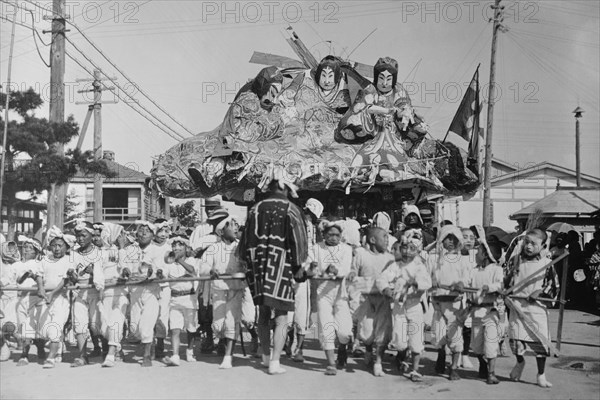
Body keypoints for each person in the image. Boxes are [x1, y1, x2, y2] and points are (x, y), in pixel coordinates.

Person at [238, 172, 309, 375]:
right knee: (281, 316)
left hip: (257, 267)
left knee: (263, 313)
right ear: (285, 187)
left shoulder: (255, 209)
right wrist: (298, 267)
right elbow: (298, 242)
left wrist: (247, 264)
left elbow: (243, 245)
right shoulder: (291, 209)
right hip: (281, 267)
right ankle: (275, 362)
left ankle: (265, 356)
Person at [376, 229, 431, 382]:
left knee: (416, 338)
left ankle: (415, 369)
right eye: (404, 248)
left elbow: (427, 283)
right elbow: (382, 278)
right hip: (399, 306)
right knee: (399, 341)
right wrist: (386, 289)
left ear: (418, 250)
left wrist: (415, 282)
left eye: (412, 249)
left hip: (414, 306)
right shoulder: (395, 266)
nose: (407, 252)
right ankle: (402, 354)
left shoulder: (420, 266)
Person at [505, 228, 556, 388]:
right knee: (516, 340)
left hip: (536, 308)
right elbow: (507, 280)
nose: (528, 246)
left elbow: (553, 285)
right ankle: (519, 363)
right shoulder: (516, 261)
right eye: (527, 242)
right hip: (517, 305)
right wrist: (507, 291)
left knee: (540, 342)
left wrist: (540, 291)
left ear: (543, 245)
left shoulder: (547, 263)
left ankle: (541, 375)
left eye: (534, 243)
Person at [199, 216, 247, 369]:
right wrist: (211, 270)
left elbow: (248, 264)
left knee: (232, 322)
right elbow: (203, 265)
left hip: (236, 289)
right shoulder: (214, 248)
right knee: (219, 325)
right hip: (219, 290)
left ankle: (228, 356)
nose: (235, 228)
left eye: (236, 225)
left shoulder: (241, 247)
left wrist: (244, 269)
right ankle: (223, 341)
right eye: (232, 225)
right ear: (221, 231)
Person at [347, 227, 395, 377]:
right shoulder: (361, 254)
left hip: (383, 299)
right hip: (365, 298)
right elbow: (353, 269)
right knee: (366, 332)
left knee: (383, 331)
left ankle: (378, 361)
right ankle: (368, 350)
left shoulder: (390, 257)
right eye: (384, 236)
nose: (387, 239)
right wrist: (353, 274)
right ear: (373, 240)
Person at [308, 220, 353, 375]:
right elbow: (310, 268)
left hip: (341, 293)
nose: (334, 237)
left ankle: (342, 347)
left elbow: (344, 270)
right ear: (323, 234)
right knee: (326, 327)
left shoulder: (346, 249)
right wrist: (314, 270)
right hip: (323, 293)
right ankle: (331, 363)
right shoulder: (316, 248)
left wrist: (331, 272)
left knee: (345, 332)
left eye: (337, 235)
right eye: (330, 234)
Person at [117, 220, 165, 367]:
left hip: (151, 291)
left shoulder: (158, 250)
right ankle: (149, 344)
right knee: (135, 329)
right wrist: (125, 270)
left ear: (153, 234)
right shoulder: (130, 250)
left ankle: (146, 355)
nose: (143, 232)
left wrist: (154, 272)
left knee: (146, 325)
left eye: (147, 230)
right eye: (141, 230)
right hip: (135, 291)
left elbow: (162, 271)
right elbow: (123, 265)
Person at [427, 225, 471, 380]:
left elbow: (467, 278)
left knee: (455, 336)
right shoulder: (434, 258)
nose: (451, 241)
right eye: (447, 238)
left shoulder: (462, 259)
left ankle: (453, 367)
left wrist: (460, 285)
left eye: (454, 238)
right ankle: (440, 356)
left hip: (454, 305)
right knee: (439, 335)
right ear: (442, 239)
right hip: (438, 303)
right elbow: (428, 277)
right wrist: (431, 283)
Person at [286, 198, 324, 363]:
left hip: (304, 274)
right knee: (286, 314)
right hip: (288, 271)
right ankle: (288, 341)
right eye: (306, 213)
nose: (307, 217)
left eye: (310, 215)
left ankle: (299, 349)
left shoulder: (315, 231)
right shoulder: (290, 225)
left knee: (301, 312)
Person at [36, 227, 77, 368]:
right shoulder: (45, 260)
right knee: (44, 330)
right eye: (54, 245)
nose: (57, 248)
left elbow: (65, 280)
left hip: (61, 299)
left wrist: (52, 293)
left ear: (66, 247)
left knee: (56, 327)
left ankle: (51, 358)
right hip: (45, 299)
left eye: (60, 246)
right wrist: (41, 288)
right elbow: (39, 275)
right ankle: (58, 349)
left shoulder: (68, 260)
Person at [70, 220, 105, 368]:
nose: (81, 239)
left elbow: (101, 275)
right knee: (80, 324)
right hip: (79, 292)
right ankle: (82, 356)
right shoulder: (73, 254)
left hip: (95, 292)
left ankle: (106, 350)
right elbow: (71, 273)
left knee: (96, 324)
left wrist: (94, 275)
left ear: (91, 235)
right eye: (78, 236)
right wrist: (72, 274)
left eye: (84, 235)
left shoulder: (99, 253)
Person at [469, 238, 504, 384]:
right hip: (476, 312)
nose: (476, 254)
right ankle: (482, 363)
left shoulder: (497, 269)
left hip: (491, 312)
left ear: (485, 255)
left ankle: (491, 373)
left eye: (478, 251)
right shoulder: (474, 271)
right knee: (476, 345)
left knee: (491, 343)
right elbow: (467, 284)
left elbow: (500, 285)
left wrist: (488, 288)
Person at [92, 222, 127, 368]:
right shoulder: (99, 253)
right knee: (104, 325)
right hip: (105, 292)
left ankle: (111, 354)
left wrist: (122, 248)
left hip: (120, 292)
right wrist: (100, 288)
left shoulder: (123, 251)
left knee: (116, 321)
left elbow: (125, 267)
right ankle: (115, 348)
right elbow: (98, 271)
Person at [162, 235, 200, 367]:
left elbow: (192, 271)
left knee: (191, 327)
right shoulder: (169, 262)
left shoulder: (192, 260)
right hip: (175, 298)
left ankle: (190, 351)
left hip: (189, 298)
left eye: (180, 246)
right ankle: (175, 355)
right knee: (175, 328)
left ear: (186, 248)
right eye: (174, 246)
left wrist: (180, 261)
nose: (176, 248)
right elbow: (164, 275)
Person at [13, 238, 45, 365]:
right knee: (22, 326)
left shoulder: (39, 263)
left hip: (34, 298)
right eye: (24, 246)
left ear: (36, 251)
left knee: (30, 326)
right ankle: (40, 347)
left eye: (30, 248)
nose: (26, 249)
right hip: (20, 299)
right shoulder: (16, 264)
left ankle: (24, 355)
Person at [152, 218, 173, 360]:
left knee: (163, 314)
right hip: (151, 285)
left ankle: (160, 344)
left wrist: (164, 274)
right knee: (150, 314)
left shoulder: (170, 247)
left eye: (166, 231)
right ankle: (149, 343)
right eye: (160, 231)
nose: (163, 234)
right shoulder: (148, 246)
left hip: (165, 285)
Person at [1, 241, 22, 362]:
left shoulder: (17, 264)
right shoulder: (2, 263)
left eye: (13, 249)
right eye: (8, 249)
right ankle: (4, 346)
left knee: (8, 325)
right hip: (2, 296)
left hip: (13, 297)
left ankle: (18, 339)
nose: (10, 252)